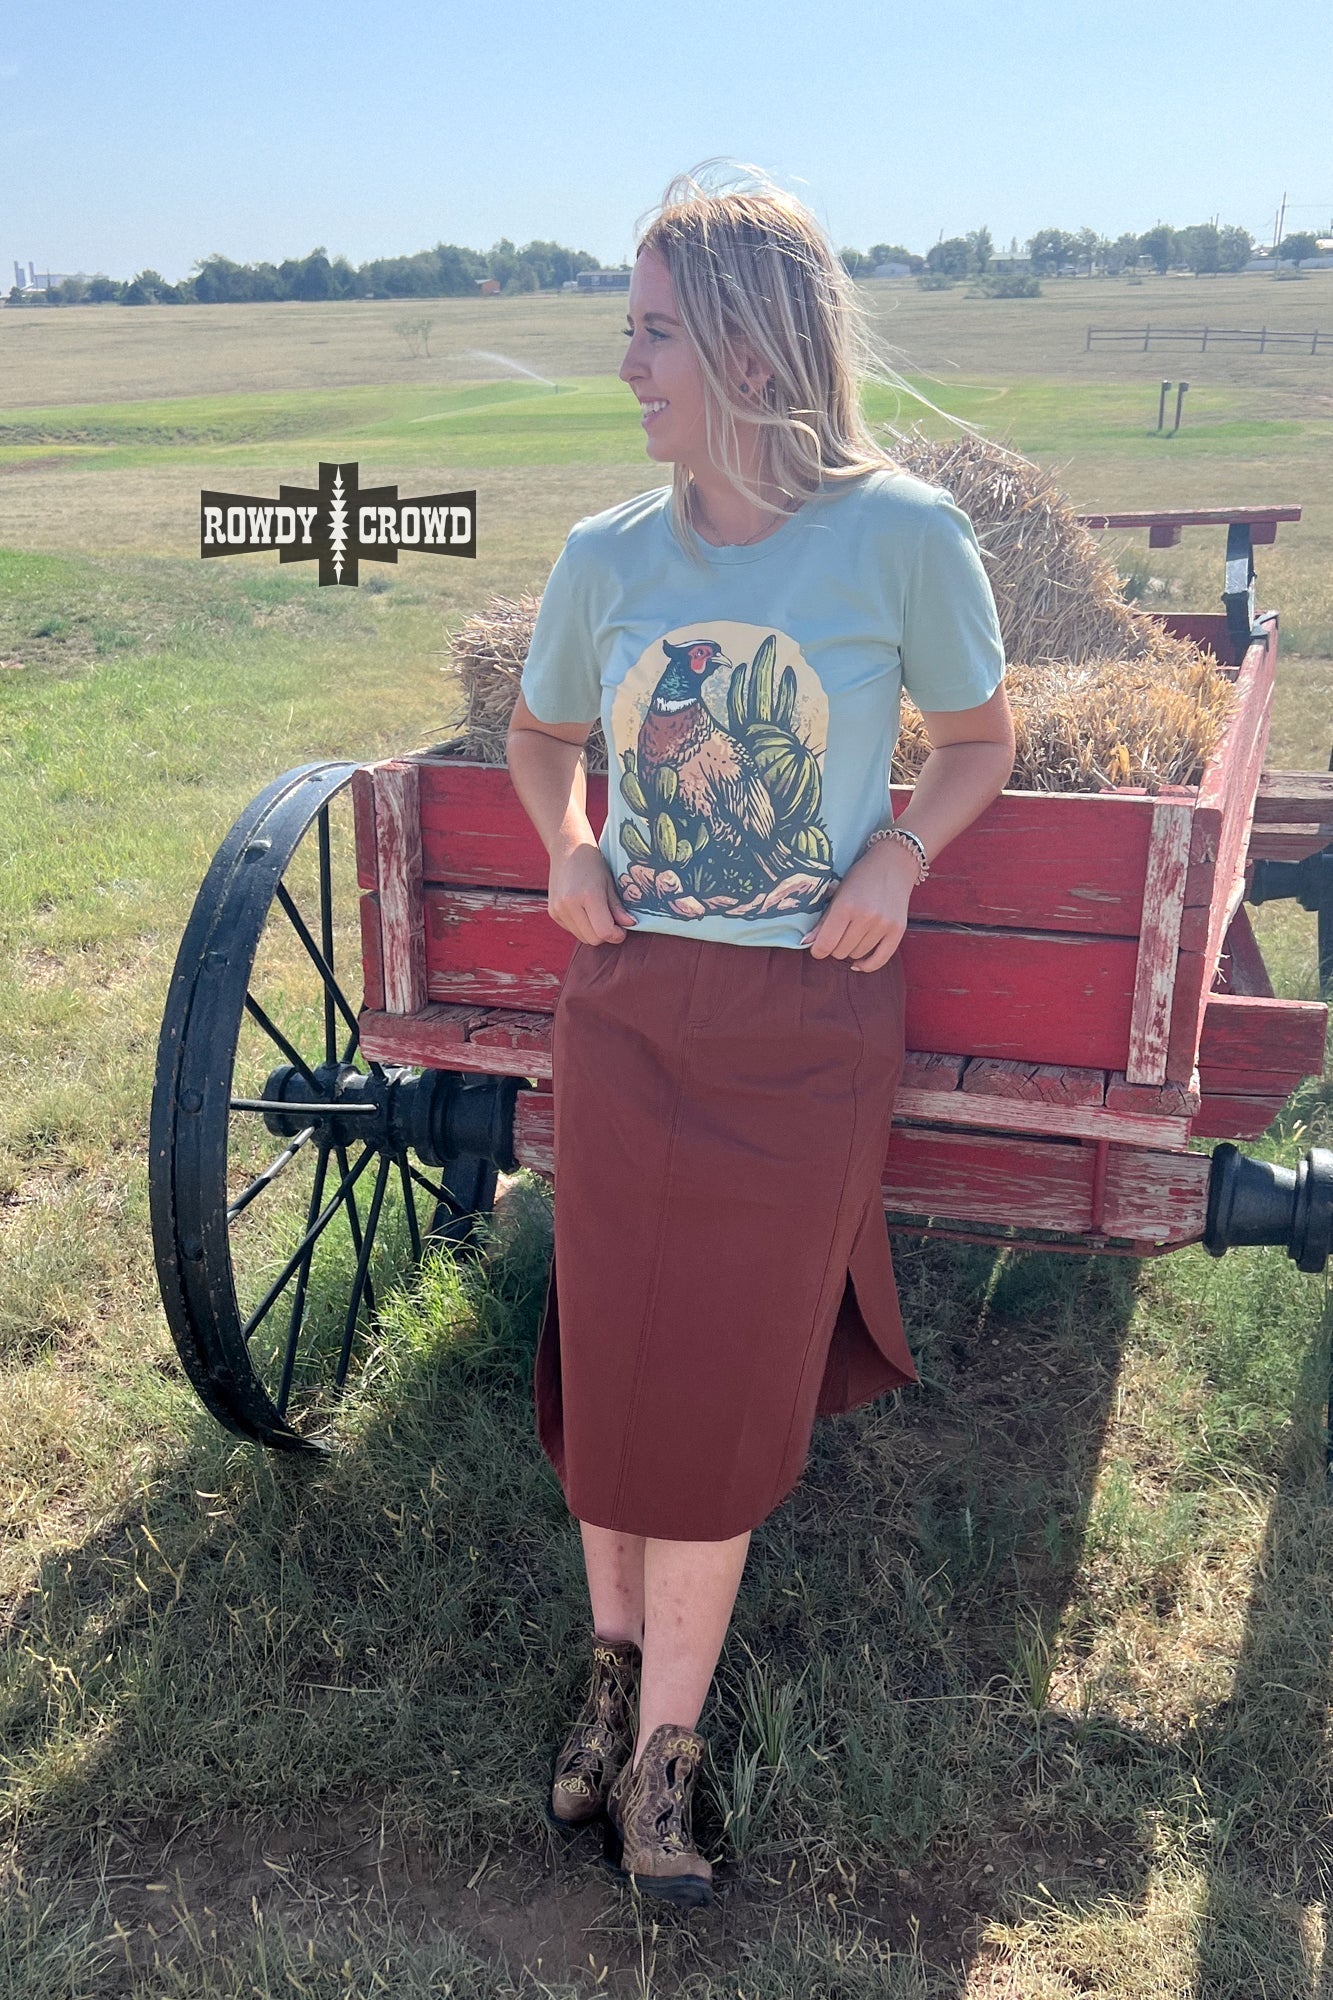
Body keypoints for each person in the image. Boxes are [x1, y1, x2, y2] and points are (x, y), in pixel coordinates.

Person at [505, 161, 1015, 1910]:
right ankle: (607, 1674)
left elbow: (978, 740)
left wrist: (898, 853)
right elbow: (539, 739)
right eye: (630, 329)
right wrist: (571, 846)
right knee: (613, 1347)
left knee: (719, 1376)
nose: (626, 365)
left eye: (652, 331)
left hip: (802, 1026)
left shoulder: (903, 537)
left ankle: (668, 1750)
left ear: (743, 342)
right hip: (631, 1010)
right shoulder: (605, 555)